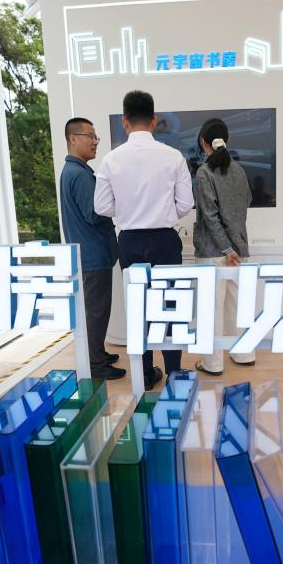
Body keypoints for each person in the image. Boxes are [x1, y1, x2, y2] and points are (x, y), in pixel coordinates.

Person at [94, 90, 193, 390]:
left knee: (140, 310)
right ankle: (174, 374)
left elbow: (101, 206)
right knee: (170, 307)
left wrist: (127, 210)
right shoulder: (173, 157)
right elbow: (186, 204)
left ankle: (146, 375)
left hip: (130, 242)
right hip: (165, 240)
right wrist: (163, 213)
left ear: (125, 121)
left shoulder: (111, 160)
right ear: (154, 121)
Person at [59, 117, 124, 380]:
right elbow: (95, 213)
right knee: (96, 311)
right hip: (93, 254)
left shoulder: (73, 171)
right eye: (90, 136)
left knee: (95, 310)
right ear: (73, 139)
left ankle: (97, 354)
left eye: (96, 136)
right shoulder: (80, 175)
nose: (95, 142)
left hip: (88, 253)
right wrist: (115, 197)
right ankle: (96, 365)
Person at [190, 118, 254, 376]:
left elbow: (209, 215)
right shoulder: (239, 171)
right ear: (228, 141)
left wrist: (226, 249)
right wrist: (234, 246)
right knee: (238, 306)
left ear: (203, 143)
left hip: (213, 252)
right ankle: (244, 354)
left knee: (212, 309)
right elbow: (247, 201)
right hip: (240, 249)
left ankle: (213, 363)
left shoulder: (204, 172)